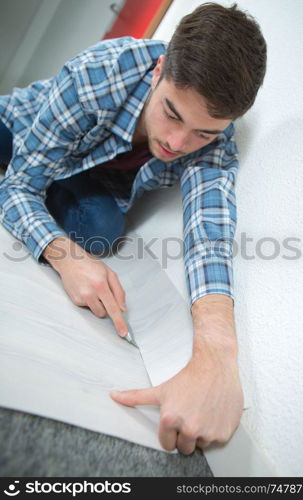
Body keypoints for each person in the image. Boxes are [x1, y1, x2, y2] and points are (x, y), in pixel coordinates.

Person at [0, 3, 266, 455]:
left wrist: (218, 359)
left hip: (84, 174)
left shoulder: (215, 139)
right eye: (172, 114)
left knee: (100, 228)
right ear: (160, 68)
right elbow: (20, 185)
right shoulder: (98, 74)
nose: (177, 144)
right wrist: (64, 258)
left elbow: (209, 237)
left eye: (203, 133)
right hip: (19, 128)